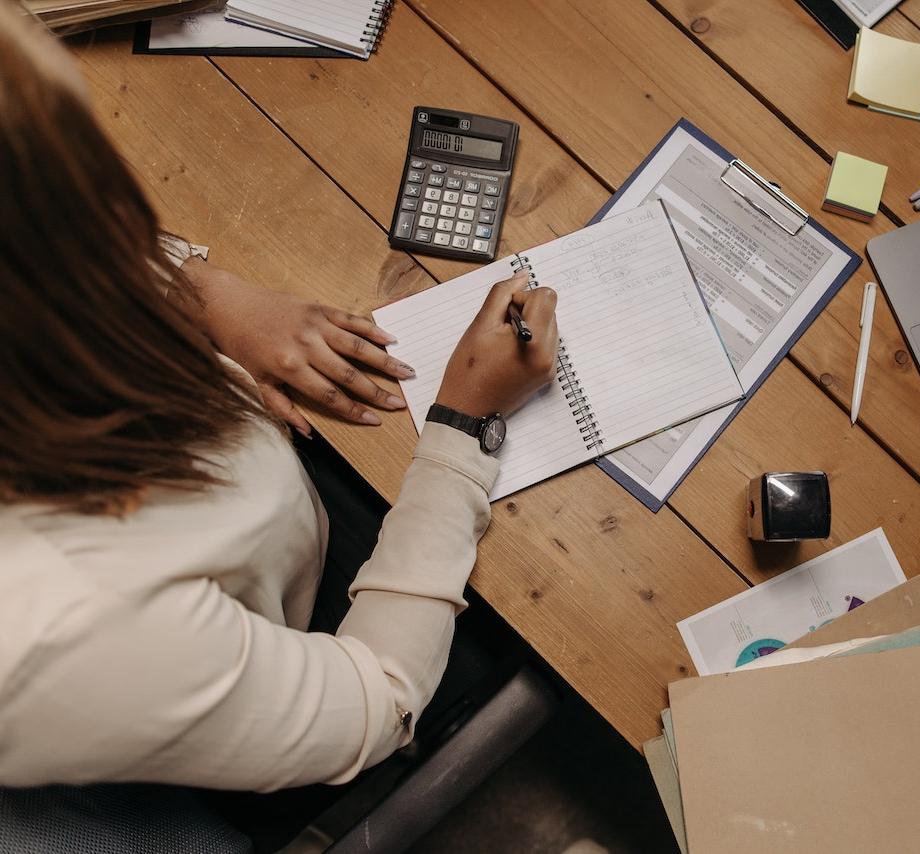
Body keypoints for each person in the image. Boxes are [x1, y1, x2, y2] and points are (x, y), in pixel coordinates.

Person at [0, 4, 559, 792]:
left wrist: (199, 295)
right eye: (96, 186)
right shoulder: (64, 631)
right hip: (293, 653)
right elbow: (379, 703)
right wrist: (465, 427)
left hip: (265, 512)